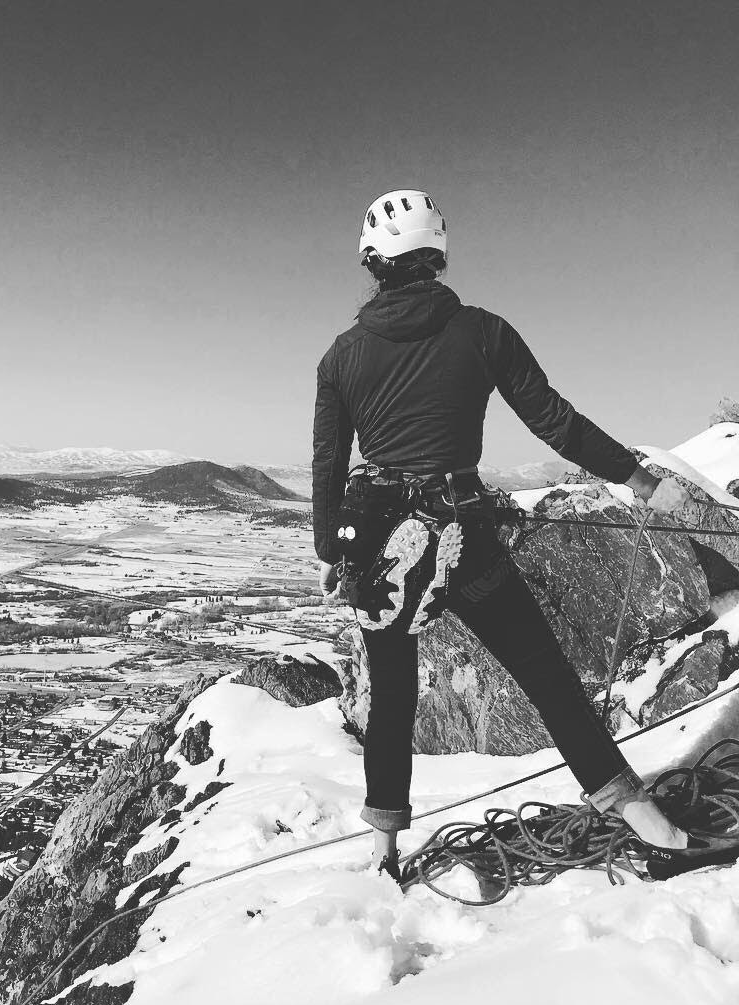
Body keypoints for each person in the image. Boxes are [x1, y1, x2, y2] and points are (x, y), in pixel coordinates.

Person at [312, 188, 739, 884]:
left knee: (392, 695)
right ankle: (647, 821)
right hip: (460, 532)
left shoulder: (342, 356)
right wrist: (637, 478)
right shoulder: (481, 332)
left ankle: (384, 853)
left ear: (372, 261)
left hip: (378, 542)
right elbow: (554, 421)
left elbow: (329, 466)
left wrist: (332, 551)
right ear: (436, 253)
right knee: (545, 678)